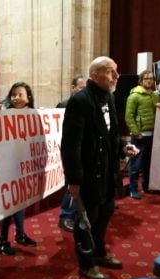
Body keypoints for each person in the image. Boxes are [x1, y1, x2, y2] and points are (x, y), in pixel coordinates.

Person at [61, 56, 138, 279]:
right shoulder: (80, 101)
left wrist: (124, 148)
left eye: (116, 71)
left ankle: (100, 252)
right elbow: (70, 145)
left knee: (105, 214)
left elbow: (111, 135)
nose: (116, 76)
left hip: (107, 172)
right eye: (109, 71)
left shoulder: (110, 99)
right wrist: (74, 180)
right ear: (94, 75)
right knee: (86, 220)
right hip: (87, 176)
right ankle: (86, 264)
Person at [0, 82, 37, 255]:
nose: (15, 98)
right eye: (13, 94)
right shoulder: (3, 113)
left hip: (23, 167)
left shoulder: (33, 115)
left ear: (28, 97)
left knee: (20, 204)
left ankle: (20, 234)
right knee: (8, 208)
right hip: (7, 168)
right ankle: (3, 240)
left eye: (19, 94)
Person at [57, 75, 86, 232]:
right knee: (71, 184)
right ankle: (65, 216)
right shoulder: (63, 105)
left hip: (82, 150)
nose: (84, 91)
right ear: (73, 87)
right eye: (81, 87)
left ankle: (76, 213)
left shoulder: (87, 105)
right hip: (70, 151)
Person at [125, 70, 160, 199]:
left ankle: (147, 186)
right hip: (140, 135)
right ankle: (133, 189)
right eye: (146, 79)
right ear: (141, 80)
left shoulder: (155, 96)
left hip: (153, 134)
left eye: (151, 78)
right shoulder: (134, 96)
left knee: (149, 164)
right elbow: (129, 117)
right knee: (135, 164)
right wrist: (136, 132)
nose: (149, 81)